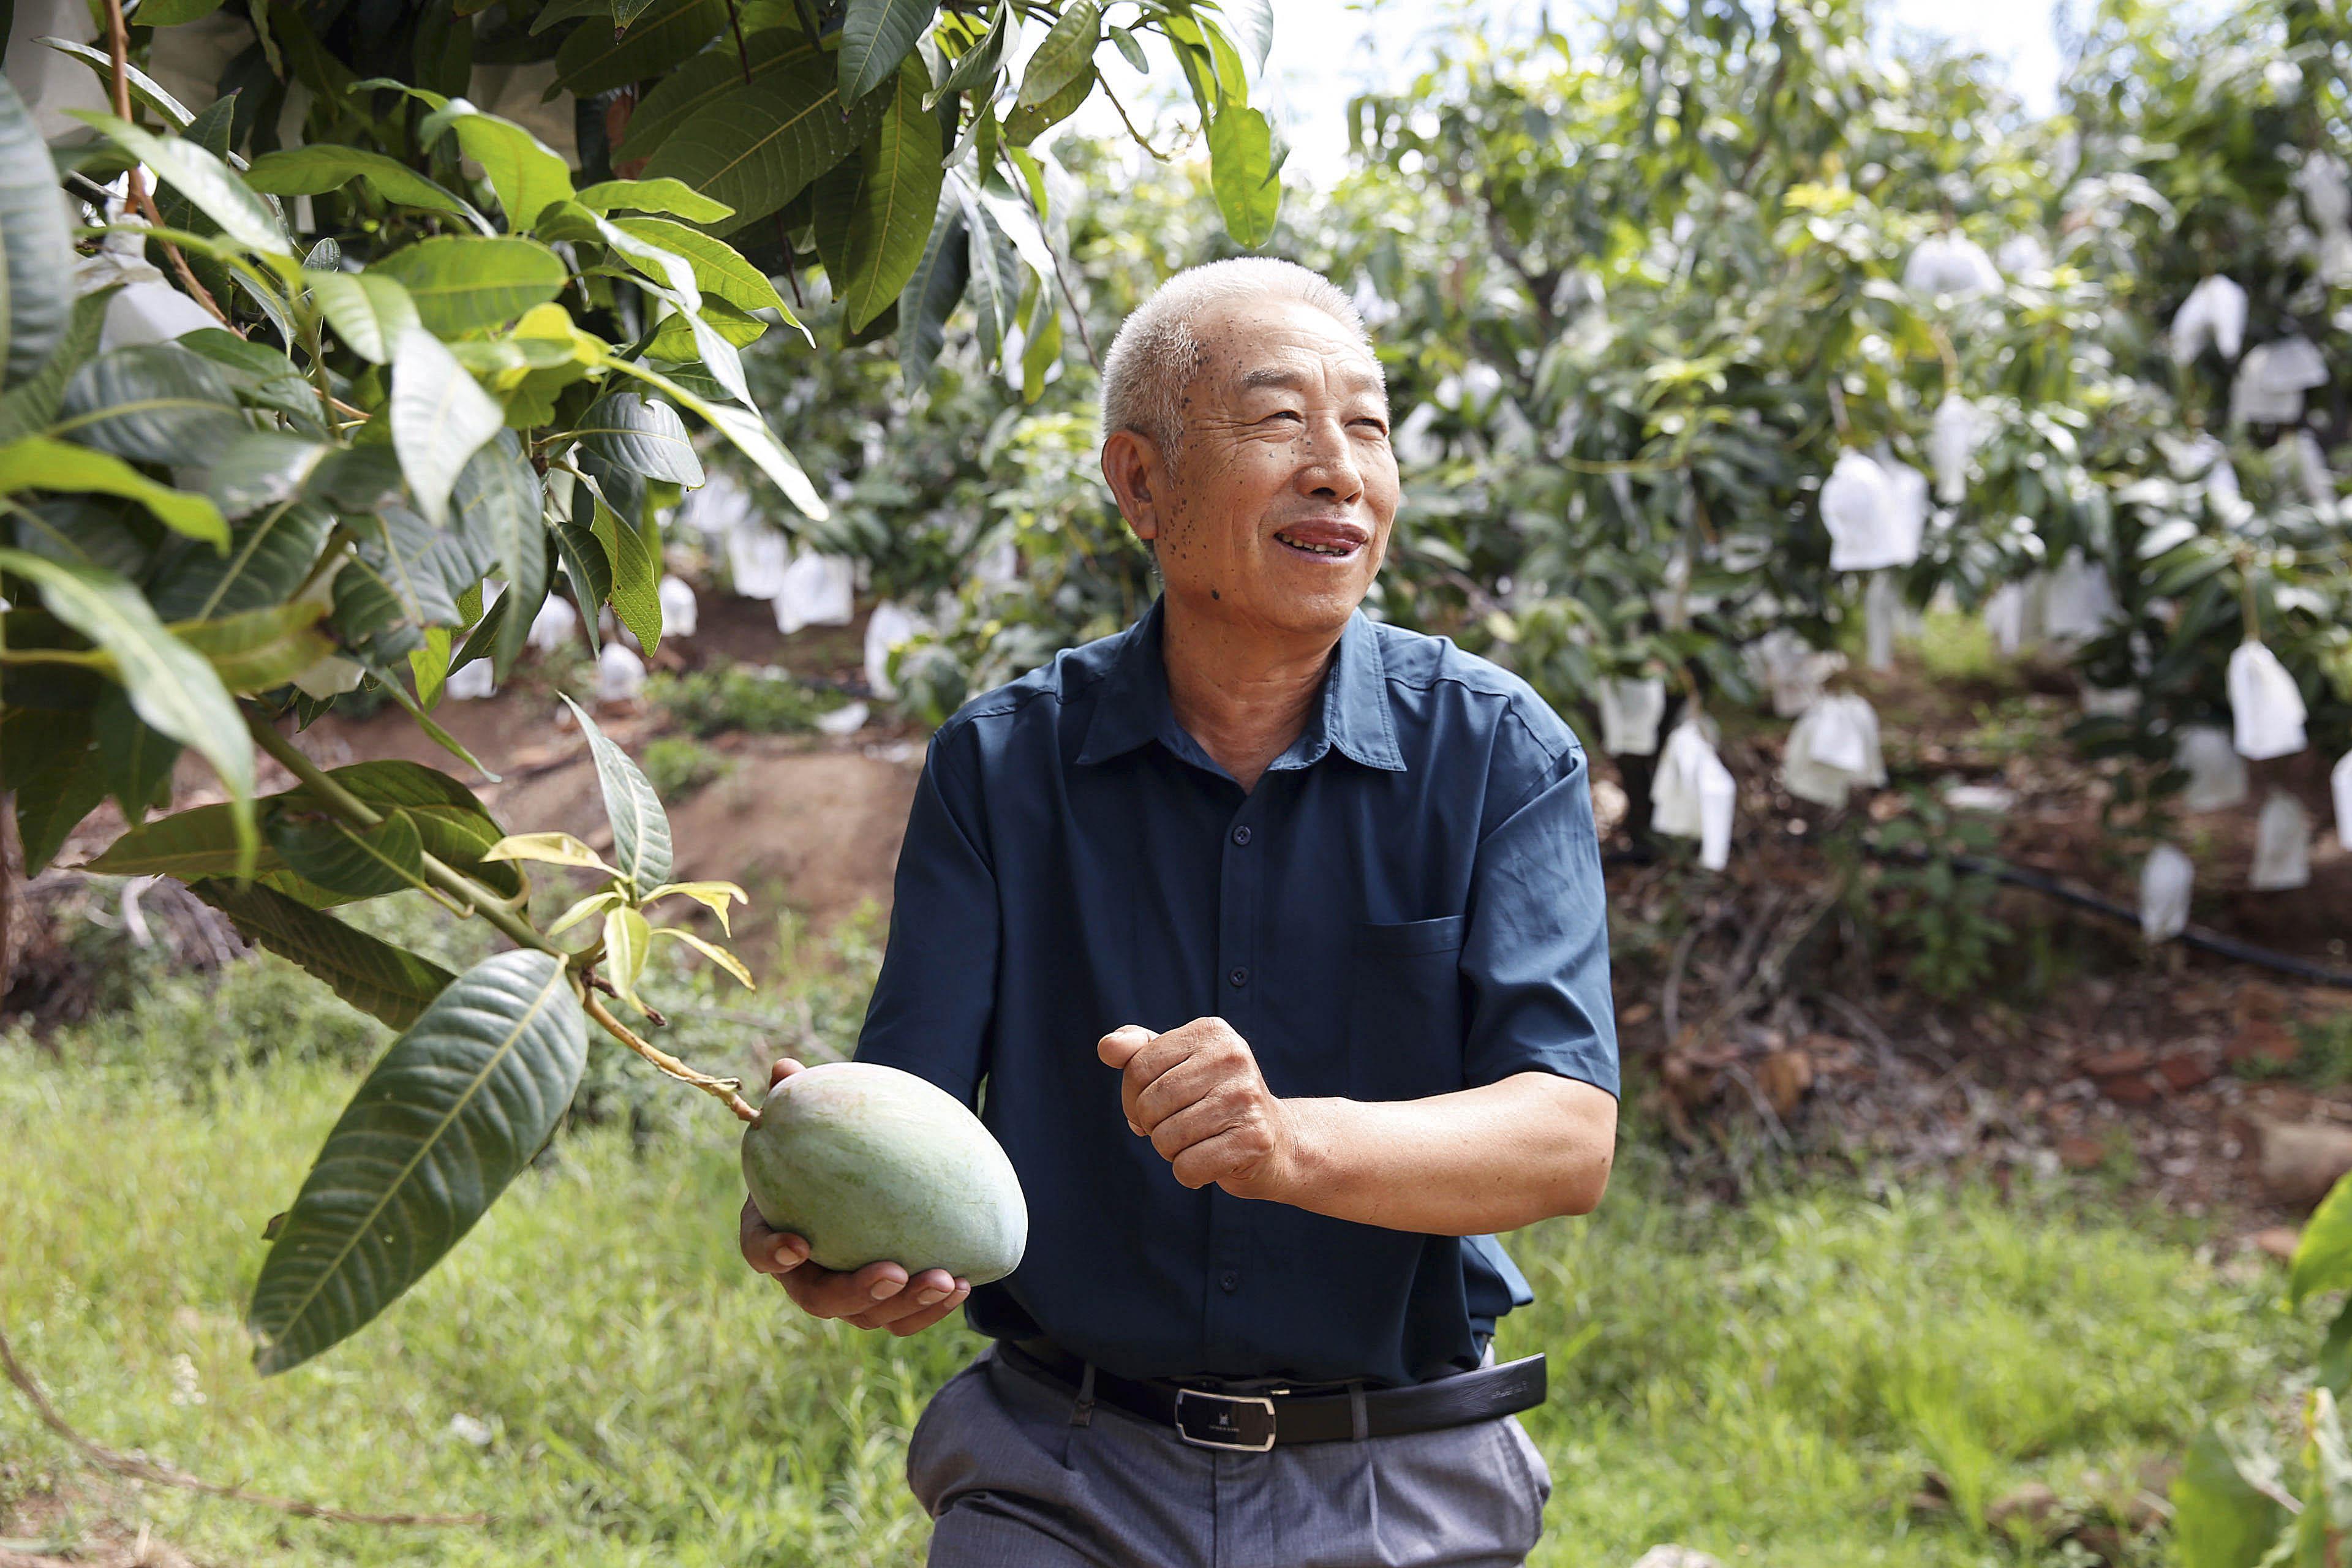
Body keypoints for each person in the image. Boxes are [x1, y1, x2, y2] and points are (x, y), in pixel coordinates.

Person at [738, 257, 1619, 1567]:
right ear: (1140, 482)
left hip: (1395, 1475)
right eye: (1280, 421)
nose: (1340, 471)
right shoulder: (1002, 766)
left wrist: (1287, 1145)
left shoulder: (1496, 754)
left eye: (1368, 428)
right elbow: (906, 1116)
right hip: (1067, 1466)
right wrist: (823, 1218)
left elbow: (1564, 1136)